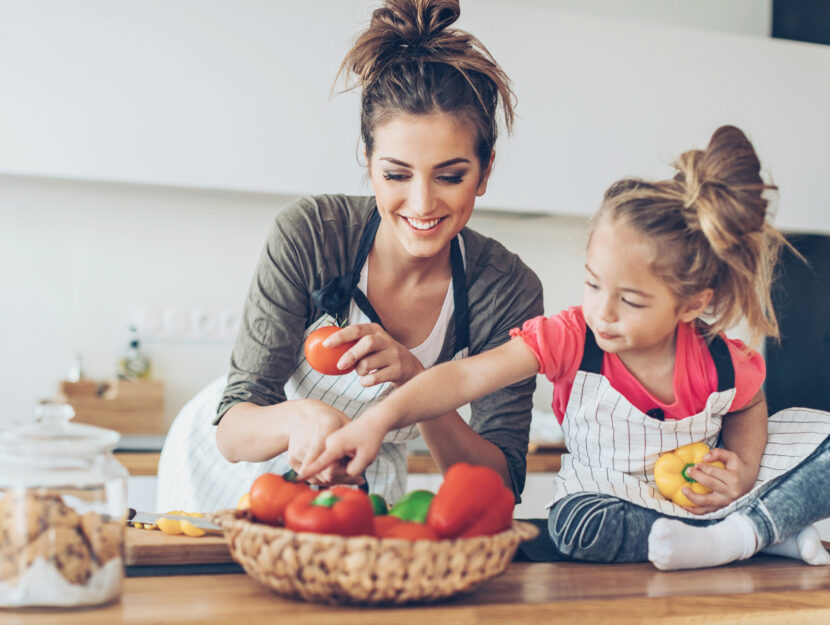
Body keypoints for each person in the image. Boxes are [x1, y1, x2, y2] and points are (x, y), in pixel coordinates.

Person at [300, 125, 830, 570]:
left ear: (692, 303)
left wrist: (741, 462)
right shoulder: (572, 336)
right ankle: (758, 534)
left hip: (702, 502)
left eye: (631, 300)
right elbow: (462, 379)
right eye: (594, 284)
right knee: (574, 528)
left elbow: (750, 401)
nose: (603, 311)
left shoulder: (720, 358)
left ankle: (736, 534)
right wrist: (375, 420)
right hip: (612, 502)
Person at [156, 0, 543, 511]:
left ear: (486, 170)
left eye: (450, 176)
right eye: (396, 174)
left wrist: (419, 384)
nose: (422, 204)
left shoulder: (506, 289)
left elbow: (500, 485)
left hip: (357, 487)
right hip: (224, 475)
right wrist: (303, 416)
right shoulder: (314, 233)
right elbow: (234, 427)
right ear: (368, 161)